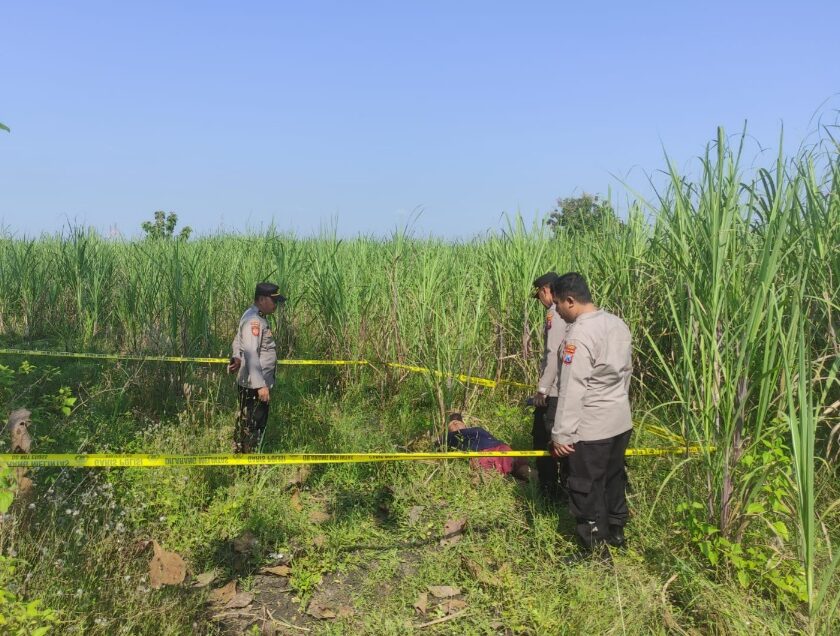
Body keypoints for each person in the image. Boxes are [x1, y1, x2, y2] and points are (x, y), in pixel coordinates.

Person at [549, 272, 633, 563]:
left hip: (592, 426)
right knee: (613, 477)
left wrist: (561, 434)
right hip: (620, 420)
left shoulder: (579, 335)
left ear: (570, 301)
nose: (557, 311)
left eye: (558, 304)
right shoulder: (617, 324)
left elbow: (573, 388)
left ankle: (594, 547)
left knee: (586, 484)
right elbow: (626, 373)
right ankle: (617, 530)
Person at [227, 282, 285, 453]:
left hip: (251, 383)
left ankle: (241, 454)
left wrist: (237, 356)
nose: (276, 305)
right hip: (254, 386)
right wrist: (261, 385)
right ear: (262, 299)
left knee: (246, 421)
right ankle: (249, 464)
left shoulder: (251, 315)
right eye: (274, 301)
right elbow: (252, 352)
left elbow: (239, 340)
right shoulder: (254, 320)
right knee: (253, 425)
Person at [530, 272, 569, 502]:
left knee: (544, 438)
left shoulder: (554, 314)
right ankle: (565, 488)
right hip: (568, 388)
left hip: (554, 391)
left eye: (539, 295)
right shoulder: (572, 315)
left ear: (546, 290)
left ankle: (550, 492)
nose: (541, 301)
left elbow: (552, 354)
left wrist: (542, 390)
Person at [444, 413, 531, 480]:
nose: (455, 426)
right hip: (503, 448)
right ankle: (540, 482)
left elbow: (437, 444)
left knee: (487, 478)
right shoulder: (478, 429)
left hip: (485, 455)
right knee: (521, 468)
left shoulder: (451, 436)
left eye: (455, 424)